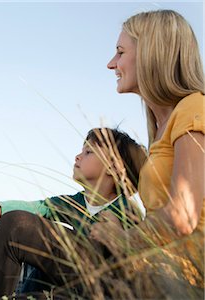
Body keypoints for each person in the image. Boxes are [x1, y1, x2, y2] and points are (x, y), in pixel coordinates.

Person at [0, 127, 147, 298]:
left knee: (16, 224)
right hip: (62, 285)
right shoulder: (74, 203)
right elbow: (31, 209)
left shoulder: (127, 211)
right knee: (17, 226)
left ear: (113, 168)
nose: (77, 156)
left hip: (100, 287)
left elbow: (137, 263)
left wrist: (117, 236)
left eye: (88, 152)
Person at [88, 9, 204, 297]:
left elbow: (182, 216)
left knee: (21, 230)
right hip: (159, 270)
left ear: (152, 53)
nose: (111, 63)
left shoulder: (194, 108)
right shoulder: (162, 128)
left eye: (120, 52)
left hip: (186, 281)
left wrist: (122, 239)